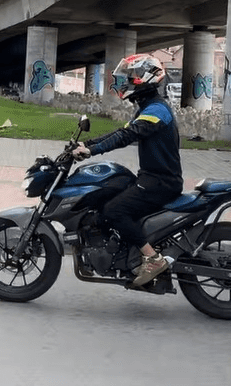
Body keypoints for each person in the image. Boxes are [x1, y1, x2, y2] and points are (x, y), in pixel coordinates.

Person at [71, 53, 182, 287]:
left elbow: (126, 136)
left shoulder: (157, 110)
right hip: (152, 178)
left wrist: (92, 151)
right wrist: (88, 145)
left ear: (146, 79)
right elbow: (119, 132)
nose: (127, 82)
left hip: (161, 182)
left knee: (114, 210)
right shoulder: (148, 107)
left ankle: (152, 258)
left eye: (132, 77)